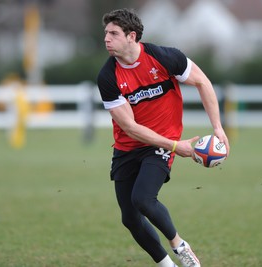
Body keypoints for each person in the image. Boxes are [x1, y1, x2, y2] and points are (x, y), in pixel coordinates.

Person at [97, 8, 229, 267]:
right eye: (105, 33)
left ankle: (179, 245)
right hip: (128, 146)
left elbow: (203, 82)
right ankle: (166, 265)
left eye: (113, 33)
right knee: (130, 218)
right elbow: (131, 128)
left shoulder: (164, 57)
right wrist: (175, 146)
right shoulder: (108, 76)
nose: (106, 39)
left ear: (131, 36)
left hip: (160, 142)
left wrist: (218, 128)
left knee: (143, 199)